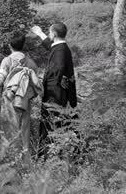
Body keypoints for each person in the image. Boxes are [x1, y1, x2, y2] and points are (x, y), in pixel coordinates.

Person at [30, 23, 78, 157]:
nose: (49, 34)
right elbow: (51, 47)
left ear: (54, 34)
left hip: (55, 95)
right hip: (58, 93)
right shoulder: (60, 48)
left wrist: (40, 85)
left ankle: (50, 155)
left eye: (50, 32)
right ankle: (54, 153)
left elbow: (56, 71)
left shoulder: (61, 51)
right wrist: (40, 33)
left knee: (52, 123)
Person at [0, 32, 42, 156]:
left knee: (8, 126)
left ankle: (11, 156)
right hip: (25, 100)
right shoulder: (31, 63)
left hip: (9, 99)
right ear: (23, 45)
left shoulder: (7, 60)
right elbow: (35, 83)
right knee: (25, 127)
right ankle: (25, 156)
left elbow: (0, 80)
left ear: (10, 45)